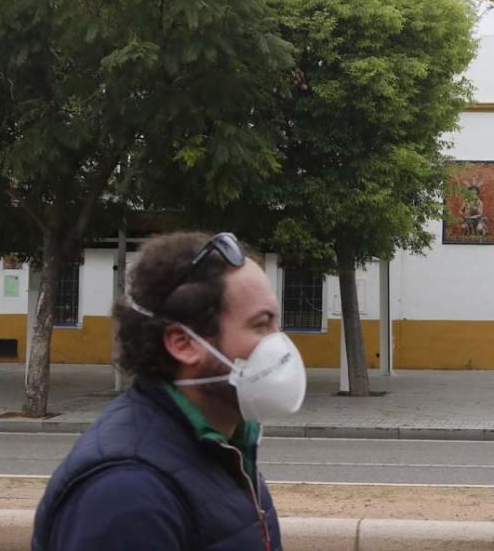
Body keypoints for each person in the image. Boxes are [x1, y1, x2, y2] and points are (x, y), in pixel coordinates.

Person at [32, 231, 306, 551]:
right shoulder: (127, 492)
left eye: (277, 324)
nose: (280, 343)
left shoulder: (226, 446)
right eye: (262, 324)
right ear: (184, 344)